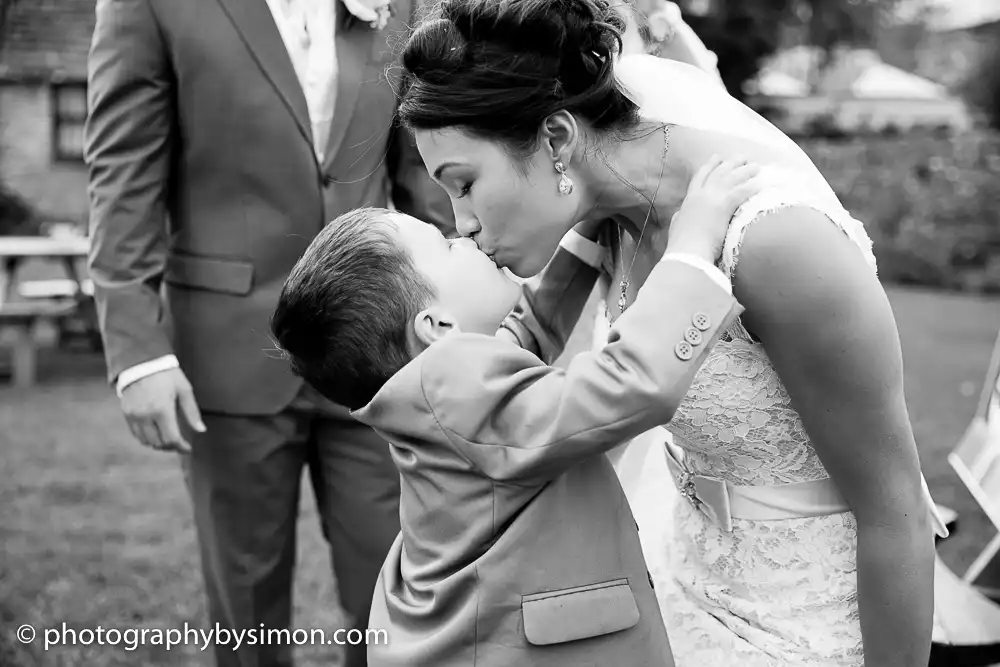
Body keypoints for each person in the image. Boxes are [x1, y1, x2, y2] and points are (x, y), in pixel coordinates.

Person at [394, 0, 950, 665]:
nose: (464, 225)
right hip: (679, 600)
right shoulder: (605, 219)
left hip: (806, 631)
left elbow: (897, 516)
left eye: (465, 184)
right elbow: (532, 334)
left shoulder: (776, 244)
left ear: (557, 141)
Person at [268, 155, 757, 666]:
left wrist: (584, 228)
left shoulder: (434, 388)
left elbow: (527, 333)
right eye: (445, 246)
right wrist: (692, 251)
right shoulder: (452, 387)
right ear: (437, 326)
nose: (464, 235)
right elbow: (628, 386)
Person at [85, 2, 450, 666]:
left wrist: (475, 293)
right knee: (247, 609)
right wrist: (137, 352)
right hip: (227, 348)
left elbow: (427, 165)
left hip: (380, 349)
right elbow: (122, 180)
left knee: (398, 591)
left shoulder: (402, 4)